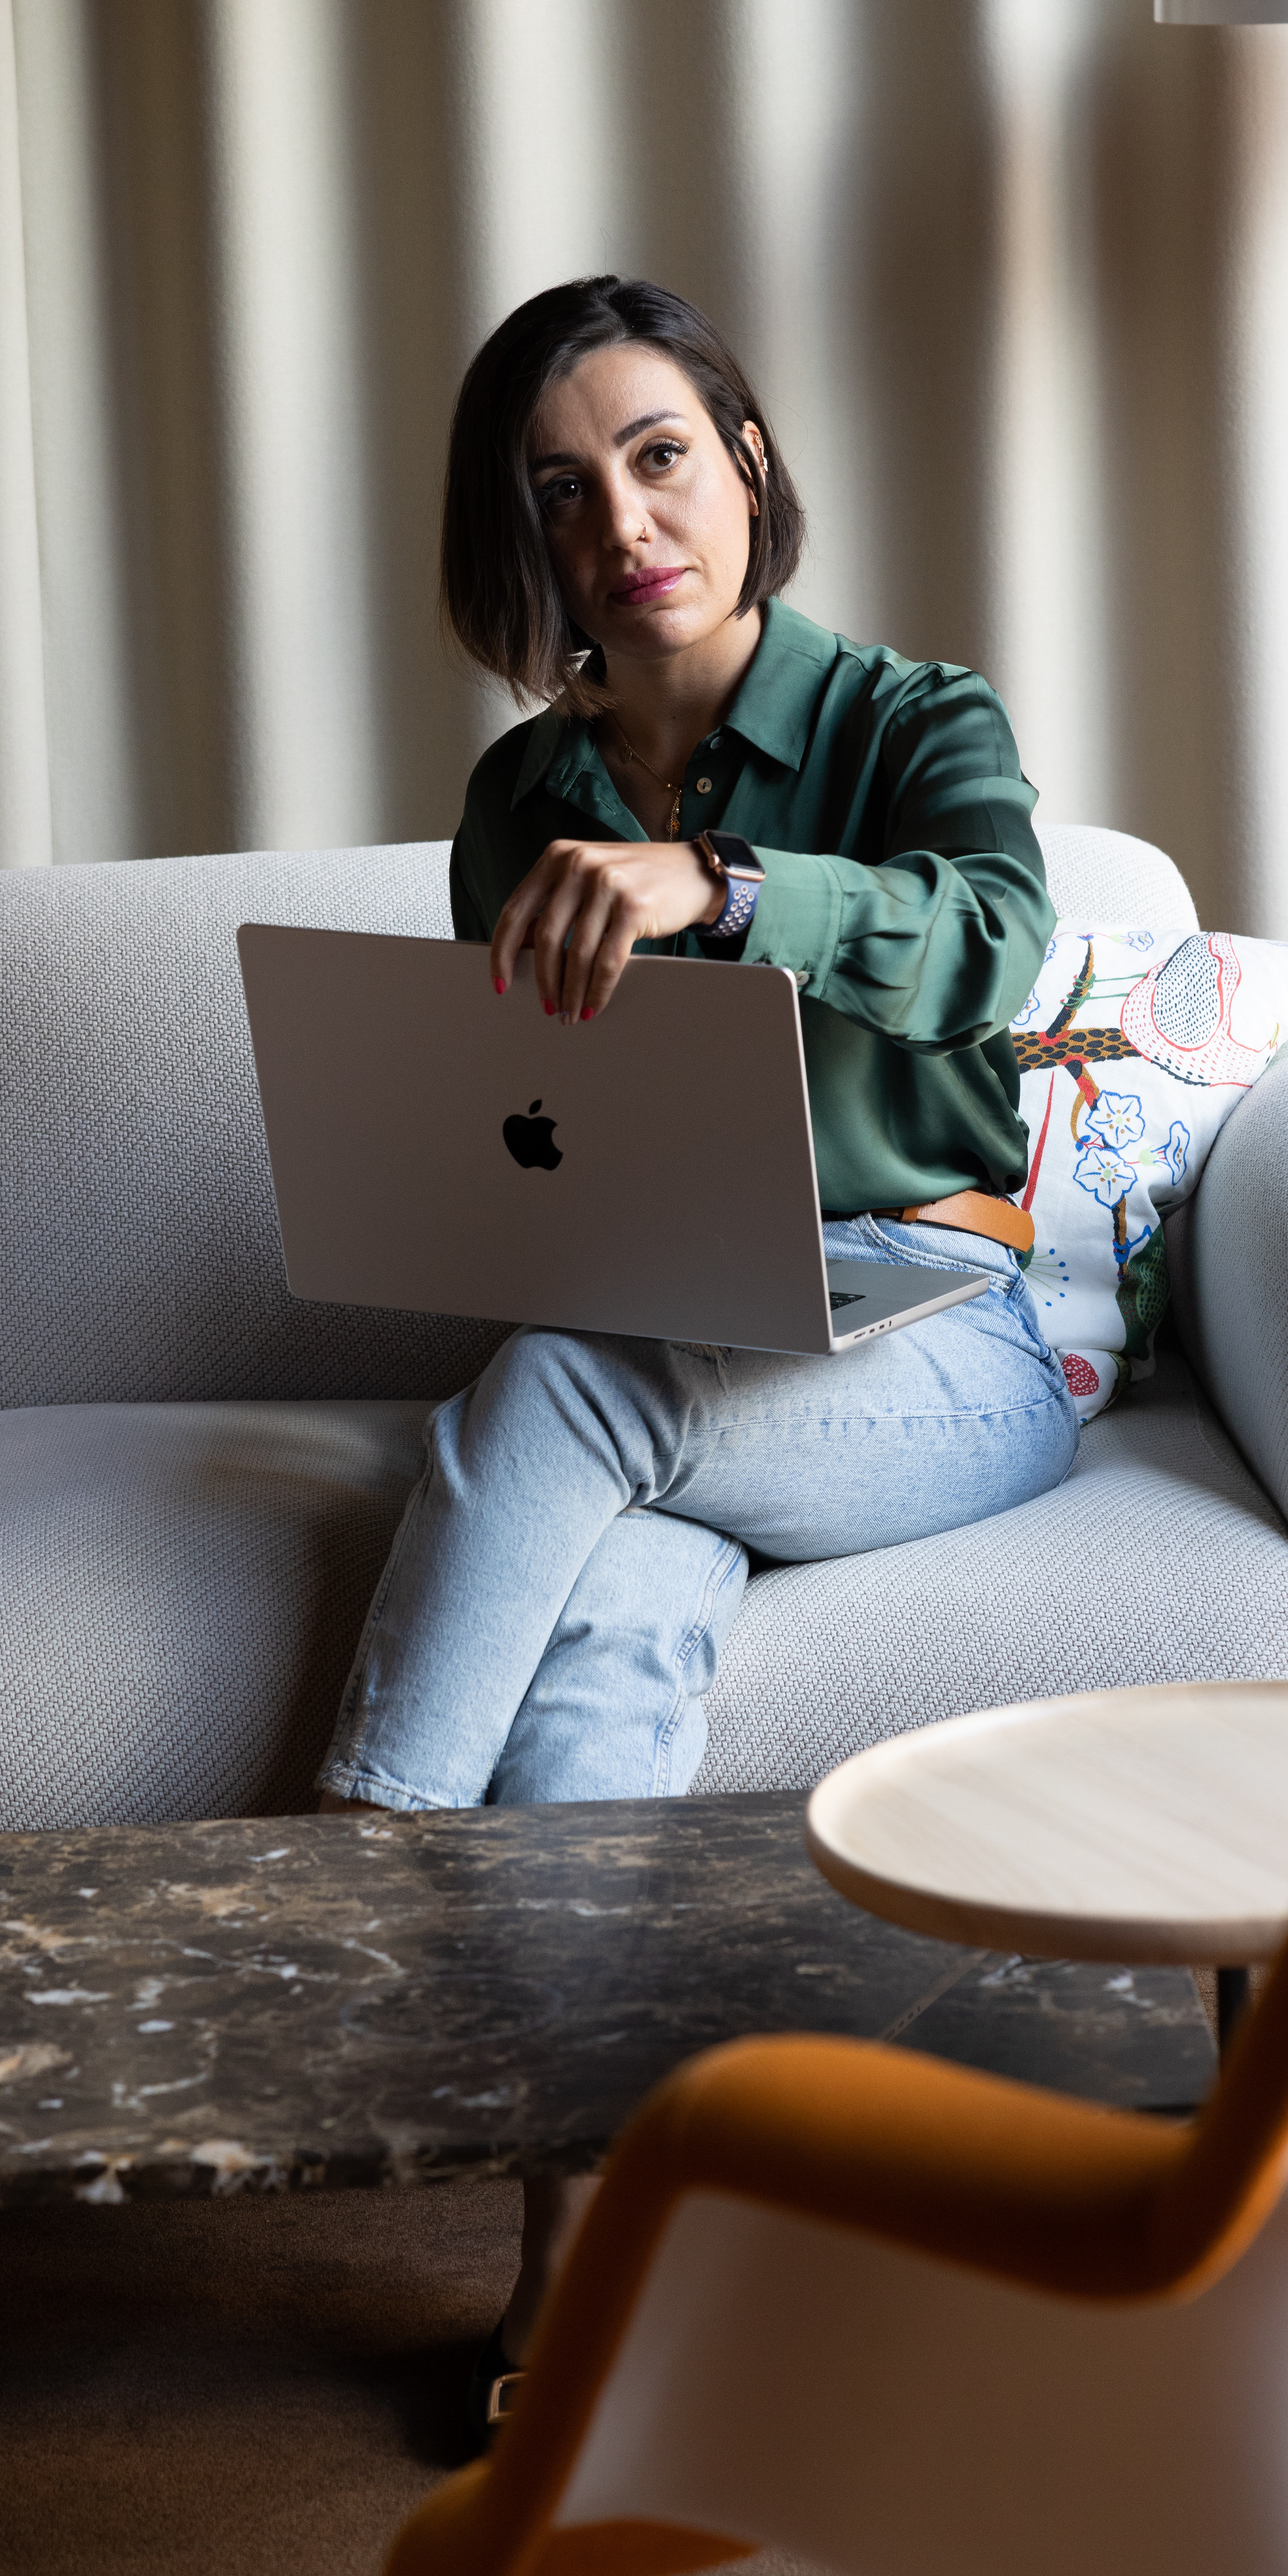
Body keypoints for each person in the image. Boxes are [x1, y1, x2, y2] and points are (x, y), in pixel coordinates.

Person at [316, 274, 1077, 2417]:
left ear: (744, 462)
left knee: (577, 1383)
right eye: (565, 491)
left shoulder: (920, 720)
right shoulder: (514, 801)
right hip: (681, 1342)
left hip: (957, 1330)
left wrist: (718, 885)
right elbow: (531, 1144)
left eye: (660, 455)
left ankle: (344, 1892)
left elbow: (996, 945)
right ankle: (579, 2281)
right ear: (531, 544)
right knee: (613, 1622)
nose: (625, 518)